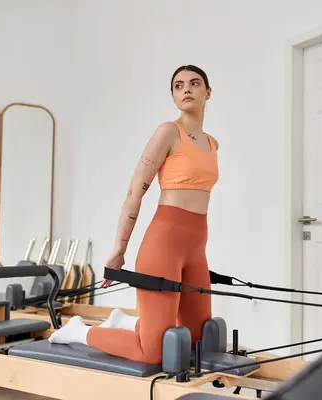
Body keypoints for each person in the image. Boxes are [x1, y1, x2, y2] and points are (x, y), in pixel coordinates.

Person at [49, 65, 219, 364]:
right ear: (173, 95)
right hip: (164, 243)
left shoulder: (212, 144)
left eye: (194, 83)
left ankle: (127, 324)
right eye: (178, 86)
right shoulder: (168, 131)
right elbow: (134, 193)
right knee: (152, 352)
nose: (186, 89)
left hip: (196, 247)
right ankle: (78, 331)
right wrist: (119, 249)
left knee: (197, 339)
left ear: (208, 92)